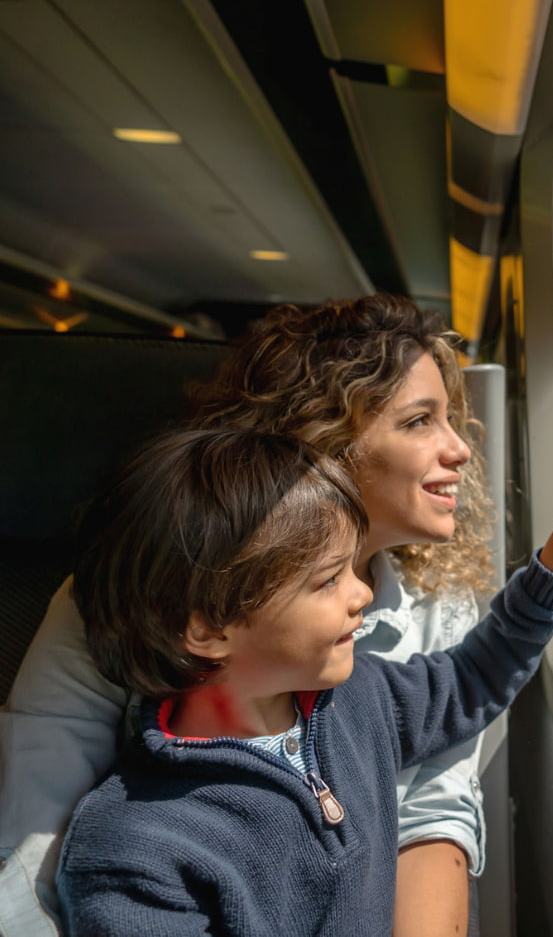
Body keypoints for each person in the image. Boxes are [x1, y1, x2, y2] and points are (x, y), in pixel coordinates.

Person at [2, 295, 513, 936]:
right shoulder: (137, 596)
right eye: (418, 422)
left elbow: (432, 812)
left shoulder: (442, 608)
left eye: (451, 418)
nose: (459, 448)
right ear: (330, 439)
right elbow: (32, 845)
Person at [55, 428, 553, 935]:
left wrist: (545, 581)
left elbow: (470, 681)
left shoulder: (361, 701)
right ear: (206, 627)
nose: (362, 594)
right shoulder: (134, 849)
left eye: (353, 569)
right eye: (327, 580)